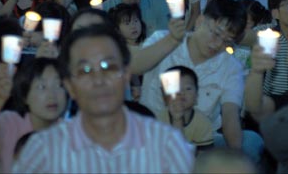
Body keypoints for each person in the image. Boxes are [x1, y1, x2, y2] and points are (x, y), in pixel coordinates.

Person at [13, 25, 195, 173]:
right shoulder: (41, 151)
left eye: (108, 67)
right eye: (85, 70)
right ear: (69, 86)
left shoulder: (167, 145)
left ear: (125, 76)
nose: (98, 80)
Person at [139, 0, 264, 163]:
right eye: (215, 33)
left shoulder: (231, 67)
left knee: (251, 142)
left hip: (200, 142)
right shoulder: (162, 40)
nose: (216, 44)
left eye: (226, 41)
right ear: (200, 21)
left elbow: (230, 116)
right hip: (151, 134)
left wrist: (236, 162)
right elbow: (135, 66)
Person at [157, 66, 214, 150]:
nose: (181, 93)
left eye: (188, 89)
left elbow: (205, 156)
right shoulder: (159, 120)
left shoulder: (203, 123)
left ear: (197, 95)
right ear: (164, 97)